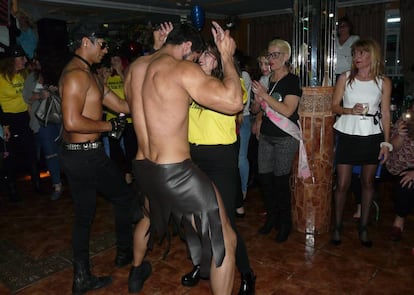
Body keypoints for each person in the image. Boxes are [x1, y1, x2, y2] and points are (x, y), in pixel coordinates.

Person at [124, 21, 242, 294]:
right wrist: (226, 55)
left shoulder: (136, 68)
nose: (195, 63)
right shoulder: (180, 68)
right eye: (194, 57)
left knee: (147, 217)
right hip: (174, 171)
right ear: (187, 46)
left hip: (142, 167)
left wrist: (158, 48)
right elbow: (234, 102)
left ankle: (135, 272)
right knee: (225, 240)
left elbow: (146, 100)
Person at [58, 22, 135, 294]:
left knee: (84, 215)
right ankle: (124, 253)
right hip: (85, 157)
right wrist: (108, 126)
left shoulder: (92, 76)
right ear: (85, 42)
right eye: (101, 43)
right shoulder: (75, 75)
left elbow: (124, 107)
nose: (105, 49)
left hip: (82, 156)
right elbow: (70, 121)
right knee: (124, 198)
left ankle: (81, 278)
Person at [183, 41, 255, 294]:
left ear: (218, 60)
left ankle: (246, 273)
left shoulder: (231, 85)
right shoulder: (191, 85)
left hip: (220, 159)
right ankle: (203, 266)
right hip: (193, 157)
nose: (201, 58)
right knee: (195, 221)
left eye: (207, 55)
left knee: (226, 226)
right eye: (200, 54)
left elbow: (238, 100)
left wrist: (227, 58)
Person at [331, 38, 391, 248]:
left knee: (368, 183)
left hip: (372, 135)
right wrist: (350, 110)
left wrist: (386, 143)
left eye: (362, 53)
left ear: (372, 56)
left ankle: (363, 227)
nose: (357, 57)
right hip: (348, 133)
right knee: (343, 183)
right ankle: (337, 226)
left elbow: (385, 113)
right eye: (355, 53)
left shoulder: (383, 81)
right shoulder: (345, 78)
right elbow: (334, 107)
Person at [250, 39, 302, 243]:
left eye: (275, 55)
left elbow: (288, 110)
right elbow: (257, 109)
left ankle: (284, 223)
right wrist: (257, 105)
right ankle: (271, 218)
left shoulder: (292, 81)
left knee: (280, 182)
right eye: (269, 55)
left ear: (286, 56)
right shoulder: (266, 80)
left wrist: (264, 96)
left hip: (285, 138)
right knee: (265, 180)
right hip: (266, 137)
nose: (271, 59)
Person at [22, 51, 67, 200]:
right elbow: (27, 97)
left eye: (38, 59)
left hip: (60, 118)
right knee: (50, 153)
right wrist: (41, 94)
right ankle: (57, 184)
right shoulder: (33, 77)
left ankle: (68, 180)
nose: (36, 62)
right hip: (42, 121)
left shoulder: (59, 74)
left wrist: (57, 91)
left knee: (63, 150)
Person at [0, 44, 41, 202]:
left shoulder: (23, 75)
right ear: (12, 60)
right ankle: (12, 190)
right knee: (11, 157)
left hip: (24, 118)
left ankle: (37, 185)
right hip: (8, 120)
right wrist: (4, 125)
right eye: (21, 58)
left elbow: (30, 94)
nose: (25, 60)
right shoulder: (2, 77)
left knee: (31, 152)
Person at [386, 108, 414, 241]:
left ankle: (399, 222)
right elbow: (391, 147)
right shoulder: (404, 120)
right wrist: (400, 136)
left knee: (406, 183)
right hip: (398, 166)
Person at [335, 16, 359, 82]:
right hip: (334, 72)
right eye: (340, 26)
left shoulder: (355, 39)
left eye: (344, 25)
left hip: (349, 72)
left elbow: (357, 55)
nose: (342, 28)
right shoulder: (334, 39)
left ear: (349, 27)